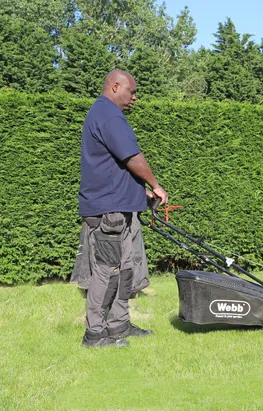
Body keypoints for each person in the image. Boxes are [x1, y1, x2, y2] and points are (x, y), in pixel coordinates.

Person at [76, 69, 167, 348]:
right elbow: (132, 158)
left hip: (120, 207)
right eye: (132, 91)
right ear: (116, 86)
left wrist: (142, 191)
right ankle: (95, 334)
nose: (135, 97)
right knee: (107, 271)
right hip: (109, 211)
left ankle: (118, 325)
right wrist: (156, 184)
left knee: (125, 268)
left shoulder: (105, 114)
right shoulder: (108, 114)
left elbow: (116, 167)